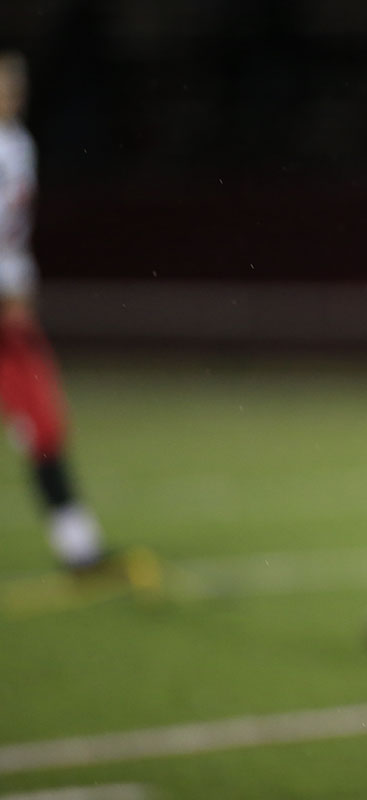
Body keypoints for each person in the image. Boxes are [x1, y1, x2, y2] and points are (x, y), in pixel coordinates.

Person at [0, 50, 109, 572]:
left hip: (9, 313)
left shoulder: (20, 144)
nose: (10, 91)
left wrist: (19, 286)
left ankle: (77, 543)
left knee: (42, 422)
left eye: (14, 82)